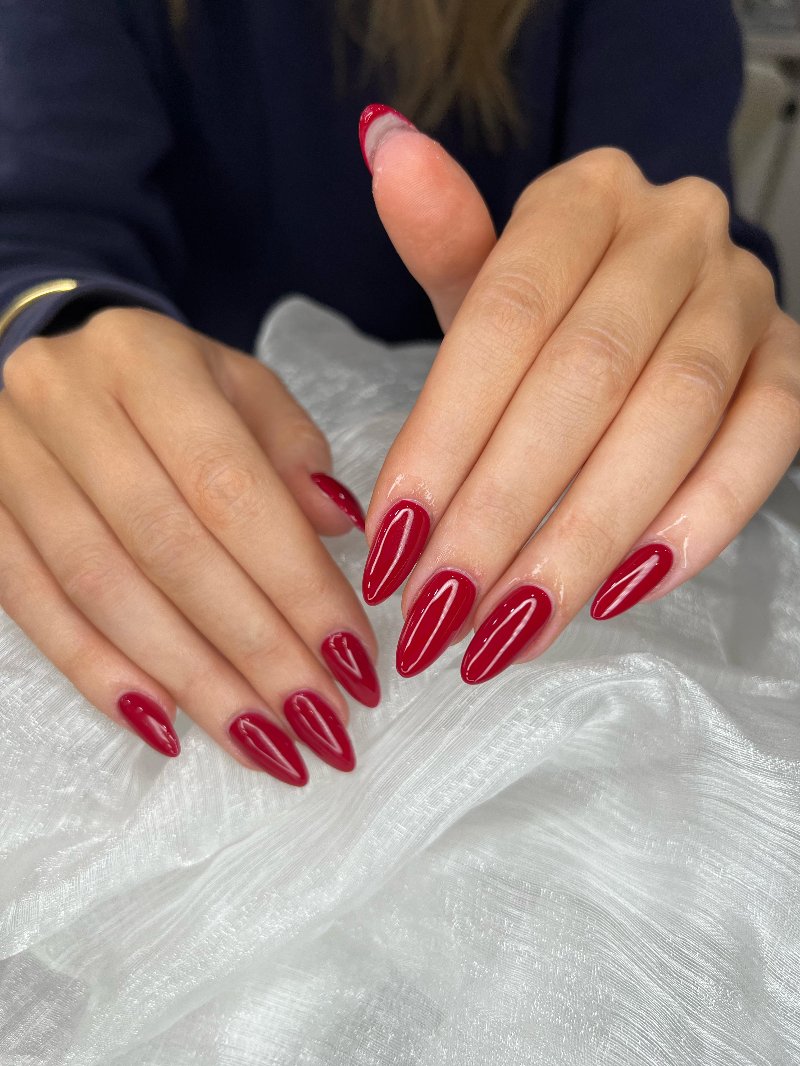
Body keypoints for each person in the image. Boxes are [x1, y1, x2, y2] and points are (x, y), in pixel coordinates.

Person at [0, 0, 797, 786]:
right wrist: (51, 317)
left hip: (545, 539)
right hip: (166, 493)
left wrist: (693, 312)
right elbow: (41, 217)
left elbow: (676, 214)